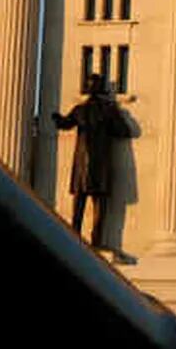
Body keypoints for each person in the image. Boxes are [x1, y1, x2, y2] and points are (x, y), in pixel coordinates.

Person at [52, 73, 132, 248]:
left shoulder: (94, 110)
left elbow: (65, 124)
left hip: (91, 162)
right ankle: (86, 239)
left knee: (88, 204)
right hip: (92, 163)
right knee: (91, 204)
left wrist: (56, 117)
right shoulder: (93, 110)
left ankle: (84, 239)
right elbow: (123, 131)